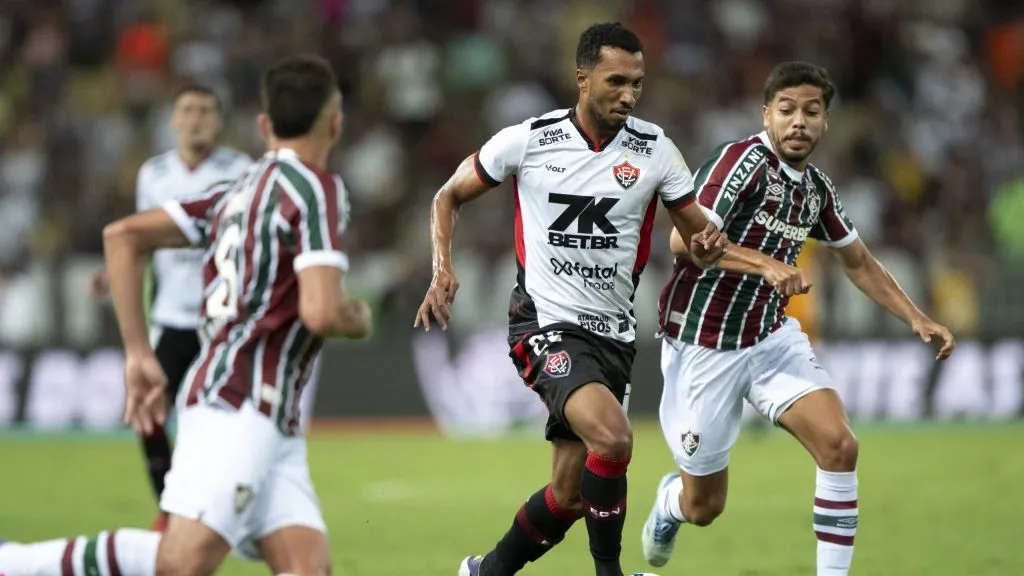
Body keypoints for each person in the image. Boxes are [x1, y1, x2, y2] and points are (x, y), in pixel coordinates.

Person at [0, 54, 371, 576]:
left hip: (265, 412)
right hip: (241, 403)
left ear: (264, 126)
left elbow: (122, 236)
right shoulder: (316, 188)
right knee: (180, 560)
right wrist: (356, 315)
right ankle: (12, 563)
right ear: (335, 123)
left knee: (308, 568)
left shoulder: (233, 190)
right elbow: (322, 311)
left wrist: (135, 355)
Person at [412, 22, 727, 576]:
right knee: (613, 437)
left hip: (615, 335)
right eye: (615, 81)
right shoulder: (530, 140)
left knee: (571, 494)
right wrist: (442, 268)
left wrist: (708, 244)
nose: (628, 95)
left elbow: (695, 238)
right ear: (582, 78)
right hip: (544, 322)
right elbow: (448, 195)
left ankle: (485, 573)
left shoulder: (655, 150)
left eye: (637, 83)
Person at [639, 61, 956, 576]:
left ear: (826, 121)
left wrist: (917, 318)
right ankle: (670, 503)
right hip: (703, 343)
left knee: (839, 445)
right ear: (767, 114)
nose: (798, 122)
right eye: (786, 110)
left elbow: (859, 262)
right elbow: (684, 243)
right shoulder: (738, 162)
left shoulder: (816, 192)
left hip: (769, 339)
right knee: (705, 507)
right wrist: (765, 264)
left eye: (812, 111)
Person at [89, 85, 252, 530]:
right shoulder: (154, 174)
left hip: (222, 322)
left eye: (205, 110)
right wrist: (112, 272)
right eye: (187, 110)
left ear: (218, 121)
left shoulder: (242, 170)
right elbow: (140, 238)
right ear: (173, 121)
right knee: (148, 410)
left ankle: (222, 506)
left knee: (220, 420)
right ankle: (168, 508)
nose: (196, 118)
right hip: (173, 317)